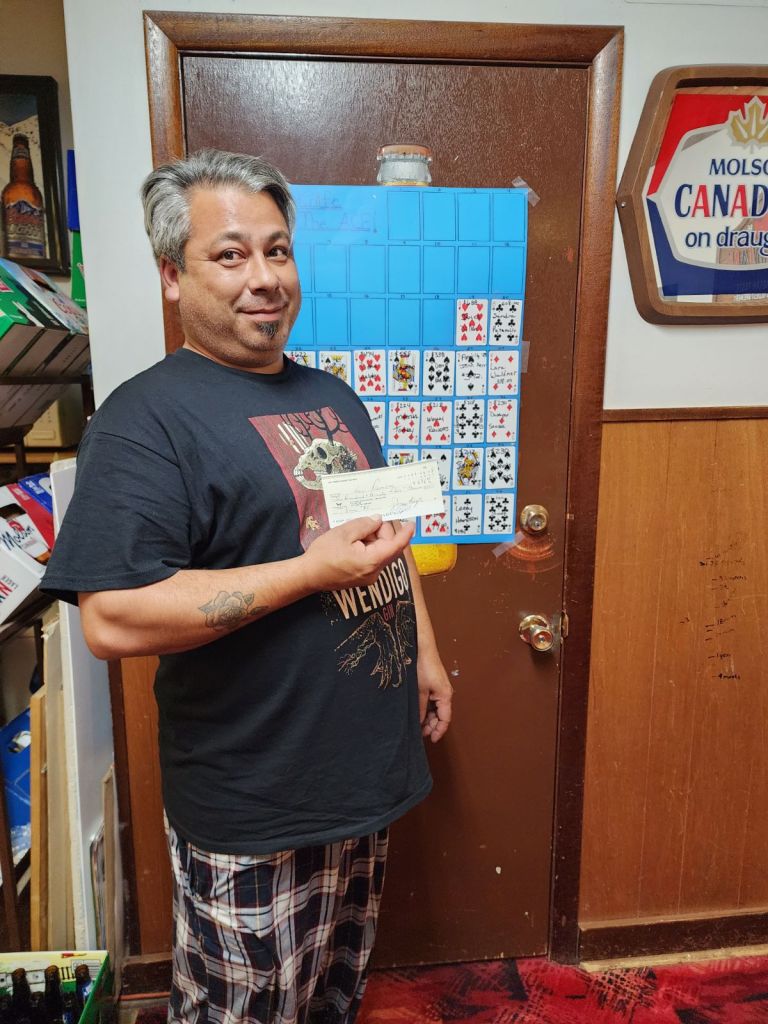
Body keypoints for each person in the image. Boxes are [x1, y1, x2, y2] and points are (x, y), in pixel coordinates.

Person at [41, 149, 453, 1024]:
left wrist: (426, 652)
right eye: (229, 255)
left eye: (277, 251)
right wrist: (310, 572)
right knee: (243, 1010)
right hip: (254, 803)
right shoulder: (143, 421)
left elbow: (380, 539)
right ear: (171, 276)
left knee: (332, 995)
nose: (264, 278)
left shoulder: (333, 396)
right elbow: (112, 620)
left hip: (362, 777)